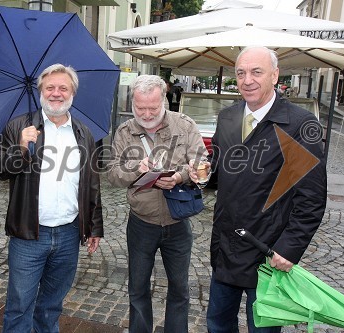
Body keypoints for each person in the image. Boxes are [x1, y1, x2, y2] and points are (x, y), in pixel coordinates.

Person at [197, 46, 327, 332]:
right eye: (241, 73)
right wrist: (203, 174)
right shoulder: (228, 118)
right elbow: (219, 171)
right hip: (226, 247)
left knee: (262, 329)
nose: (247, 80)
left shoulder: (300, 125)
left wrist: (290, 248)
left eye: (256, 72)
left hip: (268, 252)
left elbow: (312, 199)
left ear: (275, 75)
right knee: (218, 324)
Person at [0, 63, 103, 332]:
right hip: (29, 233)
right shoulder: (19, 126)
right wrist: (20, 147)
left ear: (73, 93)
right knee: (20, 305)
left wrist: (94, 226)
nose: (56, 93)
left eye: (63, 88)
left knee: (51, 305)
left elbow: (91, 184)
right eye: (50, 87)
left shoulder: (83, 133)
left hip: (68, 233)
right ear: (40, 91)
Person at [107, 75, 207, 333]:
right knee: (138, 288)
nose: (147, 114)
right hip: (141, 223)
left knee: (180, 289)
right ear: (133, 103)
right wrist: (135, 170)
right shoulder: (124, 131)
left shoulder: (184, 125)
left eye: (153, 107)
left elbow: (201, 161)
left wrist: (180, 176)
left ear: (164, 99)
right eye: (141, 108)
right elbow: (112, 174)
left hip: (177, 222)